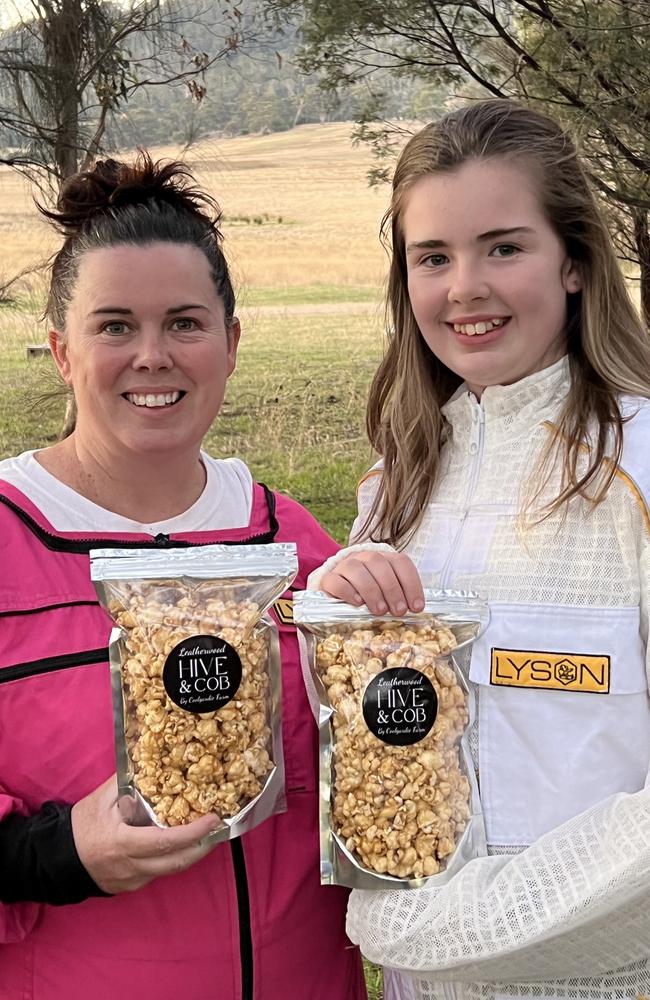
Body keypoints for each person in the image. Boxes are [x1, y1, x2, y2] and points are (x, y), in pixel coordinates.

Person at [0, 153, 367, 999]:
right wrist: (58, 854)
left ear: (231, 344)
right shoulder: (10, 537)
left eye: (186, 324)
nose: (153, 356)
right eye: (116, 326)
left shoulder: (294, 543)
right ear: (62, 351)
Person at [311, 99, 650, 999]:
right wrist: (333, 622)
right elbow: (379, 753)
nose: (465, 287)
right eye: (434, 257)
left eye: (504, 247)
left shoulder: (640, 469)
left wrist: (466, 922)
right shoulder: (397, 485)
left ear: (574, 262)